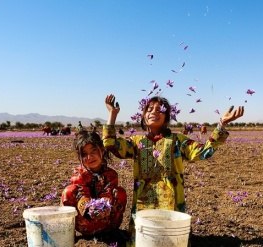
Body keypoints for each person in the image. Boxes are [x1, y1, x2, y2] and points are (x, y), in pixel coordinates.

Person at [103, 94, 244, 245]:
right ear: (143, 116)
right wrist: (112, 114)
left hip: (172, 203)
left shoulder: (177, 141)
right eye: (149, 109)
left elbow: (203, 152)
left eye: (159, 110)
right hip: (143, 203)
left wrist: (221, 124)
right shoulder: (136, 142)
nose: (153, 112)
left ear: (167, 117)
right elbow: (110, 144)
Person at [60, 130, 128, 245]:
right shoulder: (79, 174)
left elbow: (108, 193)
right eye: (84, 154)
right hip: (86, 224)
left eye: (93, 150)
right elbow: (82, 194)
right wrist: (89, 209)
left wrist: (103, 208)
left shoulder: (111, 174)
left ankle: (112, 232)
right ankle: (68, 235)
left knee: (120, 192)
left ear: (102, 149)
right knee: (69, 191)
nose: (90, 157)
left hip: (107, 222)